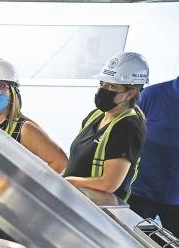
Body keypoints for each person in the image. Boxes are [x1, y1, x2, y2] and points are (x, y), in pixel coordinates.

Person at [64, 52, 148, 202]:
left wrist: (70, 181)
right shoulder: (95, 115)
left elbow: (109, 183)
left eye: (111, 86)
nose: (103, 90)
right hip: (79, 199)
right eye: (102, 84)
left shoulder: (127, 128)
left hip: (100, 207)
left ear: (131, 93)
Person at [0, 58, 67, 174]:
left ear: (13, 92)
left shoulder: (24, 129)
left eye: (0, 86)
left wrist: (30, 188)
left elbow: (60, 161)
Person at [127, 76, 179, 235]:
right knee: (130, 244)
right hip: (138, 192)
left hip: (176, 200)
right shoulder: (151, 95)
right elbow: (125, 134)